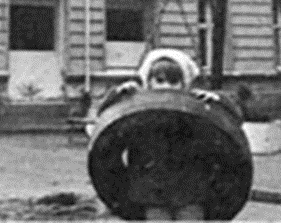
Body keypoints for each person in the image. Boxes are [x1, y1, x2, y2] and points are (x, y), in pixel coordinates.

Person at [93, 48, 245, 221]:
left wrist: (217, 101)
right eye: (160, 81)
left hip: (191, 190)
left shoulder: (196, 107)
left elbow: (235, 120)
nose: (166, 87)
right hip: (152, 192)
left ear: (184, 84)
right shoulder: (137, 111)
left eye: (174, 82)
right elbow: (104, 118)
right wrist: (119, 95)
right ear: (149, 83)